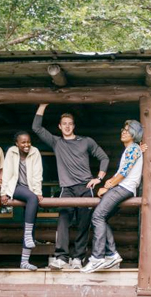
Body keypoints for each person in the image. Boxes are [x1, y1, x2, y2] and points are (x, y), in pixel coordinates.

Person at [32, 103, 109, 270]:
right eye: (64, 124)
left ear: (73, 126)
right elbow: (36, 128)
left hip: (85, 187)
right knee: (63, 221)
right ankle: (61, 258)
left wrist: (99, 178)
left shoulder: (86, 141)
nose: (67, 126)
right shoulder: (56, 142)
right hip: (66, 189)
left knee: (83, 224)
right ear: (59, 127)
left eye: (70, 123)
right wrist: (42, 105)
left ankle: (77, 258)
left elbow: (104, 158)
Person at [82, 120, 144, 273]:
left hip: (124, 188)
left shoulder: (133, 149)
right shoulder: (133, 149)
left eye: (128, 130)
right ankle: (112, 255)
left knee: (97, 217)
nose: (123, 132)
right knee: (101, 217)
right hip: (123, 187)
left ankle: (97, 257)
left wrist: (107, 186)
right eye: (123, 129)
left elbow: (123, 173)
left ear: (135, 134)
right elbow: (121, 171)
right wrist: (108, 184)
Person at [0, 131, 43, 270]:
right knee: (32, 199)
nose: (27, 145)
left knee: (31, 224)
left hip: (30, 188)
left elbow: (38, 173)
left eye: (28, 142)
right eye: (23, 142)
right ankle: (28, 235)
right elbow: (6, 172)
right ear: (17, 144)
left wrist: (38, 192)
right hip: (16, 187)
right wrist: (4, 192)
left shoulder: (35, 152)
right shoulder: (11, 152)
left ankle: (24, 262)